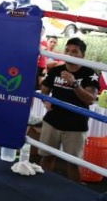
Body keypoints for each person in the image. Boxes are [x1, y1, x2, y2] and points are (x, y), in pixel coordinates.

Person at [38, 37, 99, 182]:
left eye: (74, 51)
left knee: (73, 164)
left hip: (76, 125)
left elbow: (90, 99)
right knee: (47, 157)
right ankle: (40, 187)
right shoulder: (56, 70)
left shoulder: (89, 73)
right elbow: (44, 89)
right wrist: (45, 100)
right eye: (67, 50)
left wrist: (74, 84)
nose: (70, 54)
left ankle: (75, 194)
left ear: (82, 55)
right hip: (52, 120)